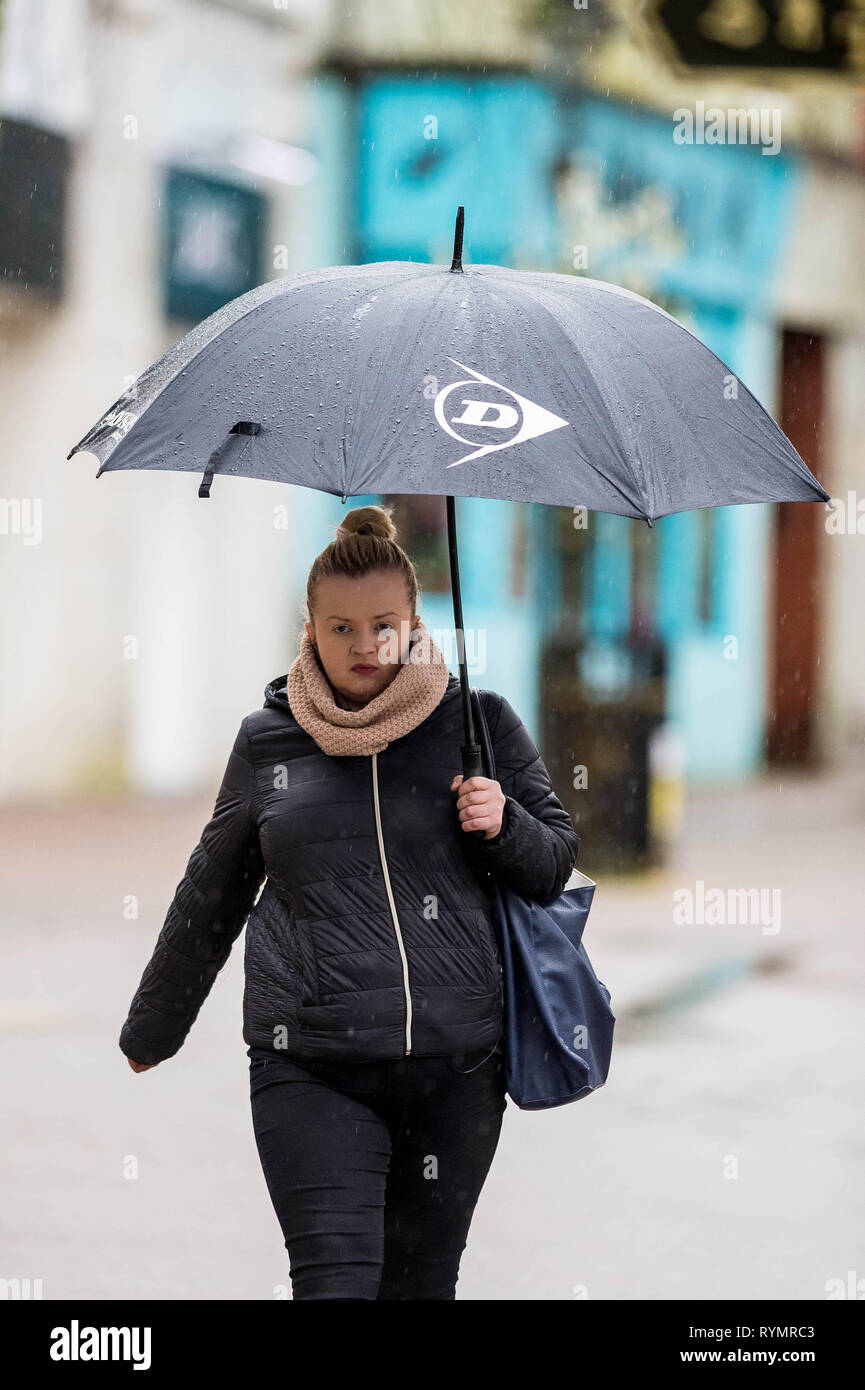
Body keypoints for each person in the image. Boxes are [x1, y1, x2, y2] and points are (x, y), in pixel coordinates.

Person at [119, 504, 580, 1300]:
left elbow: (552, 865)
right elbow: (214, 886)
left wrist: (502, 825)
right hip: (312, 1065)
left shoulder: (479, 723)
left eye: (383, 626)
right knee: (333, 1287)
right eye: (340, 629)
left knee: (419, 1288)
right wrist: (153, 1026)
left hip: (455, 1065)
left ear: (413, 621)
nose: (364, 647)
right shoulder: (268, 740)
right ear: (308, 629)